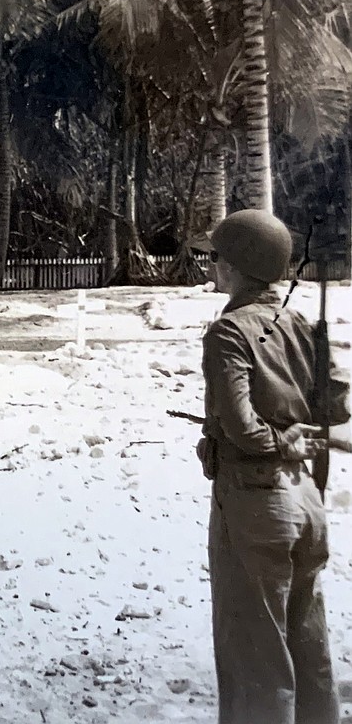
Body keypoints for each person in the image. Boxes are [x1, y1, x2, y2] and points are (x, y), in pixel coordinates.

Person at [198, 208, 350, 724]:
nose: (210, 265)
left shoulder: (228, 333)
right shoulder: (300, 322)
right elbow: (338, 409)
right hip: (306, 500)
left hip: (253, 501)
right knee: (309, 647)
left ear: (238, 265)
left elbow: (243, 428)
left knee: (254, 655)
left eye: (215, 257)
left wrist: (276, 439)